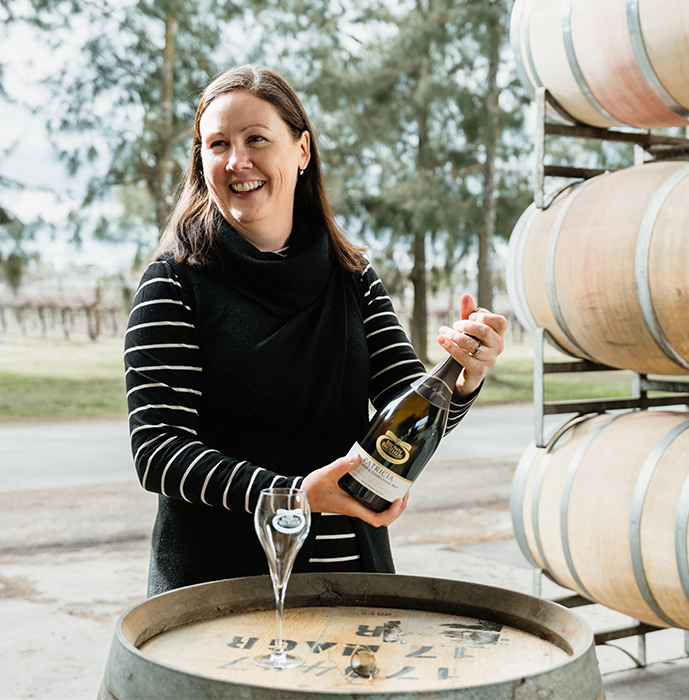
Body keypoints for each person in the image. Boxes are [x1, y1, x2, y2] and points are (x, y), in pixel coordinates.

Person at [123, 65, 507, 595]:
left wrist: (463, 376)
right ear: (202, 160)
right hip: (218, 585)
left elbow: (407, 412)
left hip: (351, 575)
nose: (237, 161)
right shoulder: (173, 283)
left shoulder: (353, 278)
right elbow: (159, 452)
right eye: (217, 145)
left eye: (256, 138)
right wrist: (296, 494)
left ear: (302, 151)